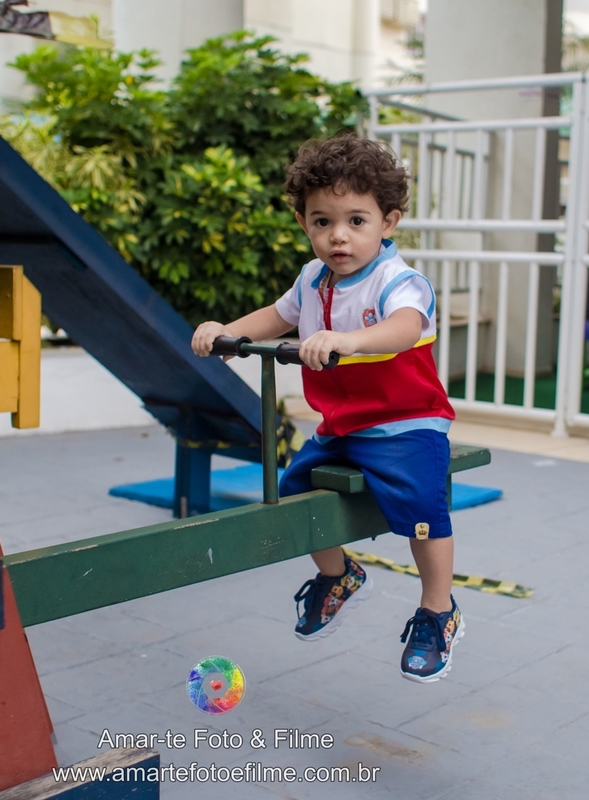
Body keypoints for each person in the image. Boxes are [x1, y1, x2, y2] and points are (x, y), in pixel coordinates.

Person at [191, 134, 461, 682]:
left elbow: (405, 325)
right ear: (304, 224)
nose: (338, 236)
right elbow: (277, 315)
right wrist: (228, 330)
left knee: (423, 511)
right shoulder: (312, 278)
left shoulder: (398, 281)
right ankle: (338, 576)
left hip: (405, 421)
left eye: (356, 221)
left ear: (388, 222)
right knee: (295, 492)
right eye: (322, 221)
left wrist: (349, 340)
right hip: (341, 424)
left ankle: (439, 609)